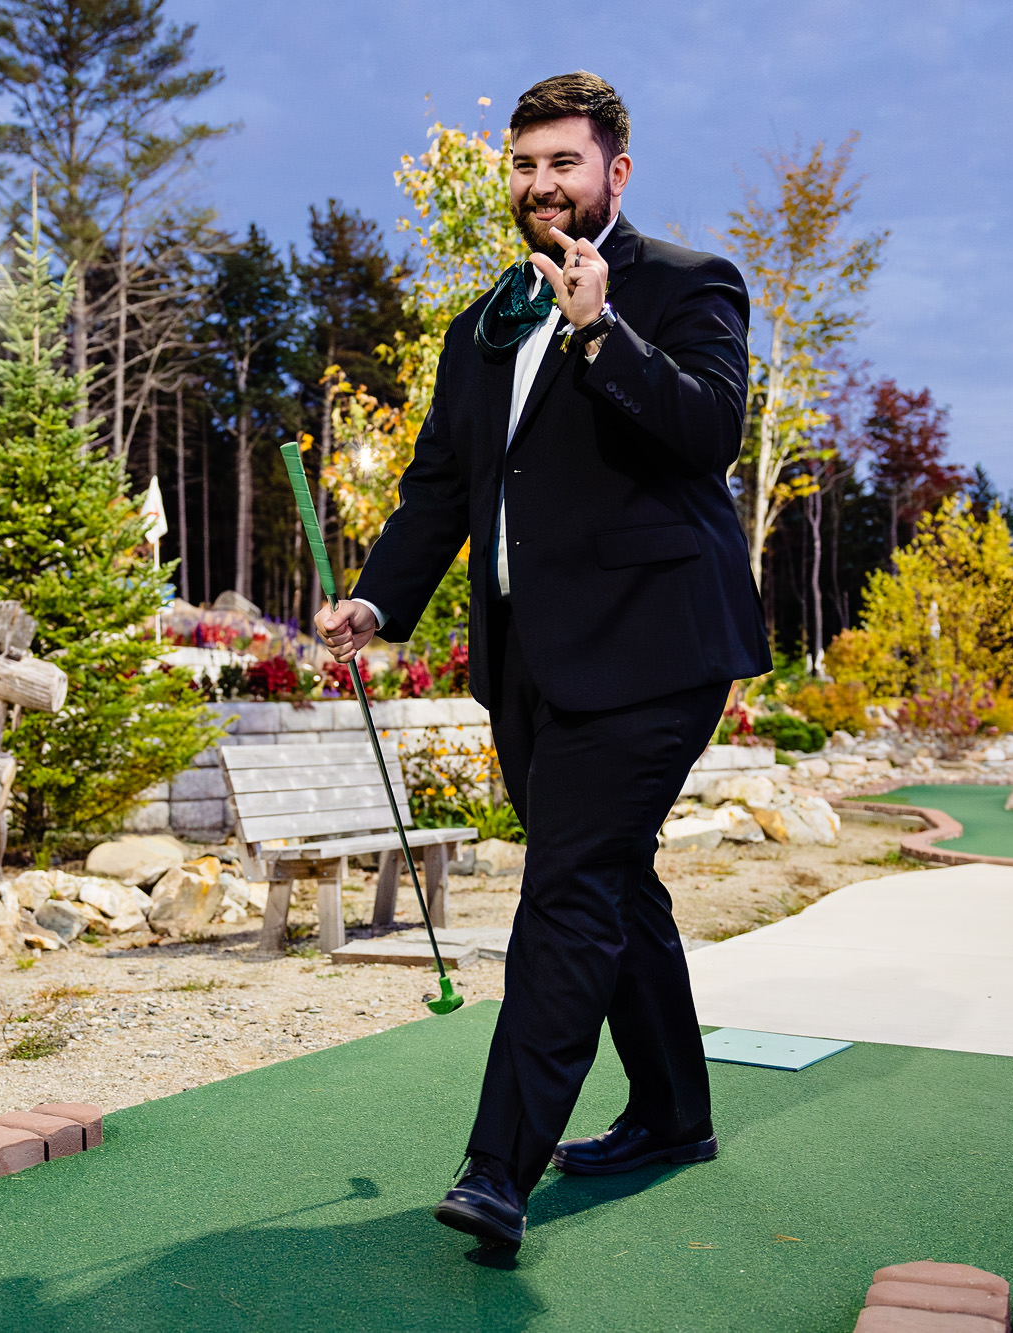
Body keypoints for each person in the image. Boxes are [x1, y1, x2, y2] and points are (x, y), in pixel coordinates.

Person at [314, 71, 769, 1248]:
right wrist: (376, 601)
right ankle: (672, 1113)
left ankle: (496, 1166)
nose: (539, 185)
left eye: (562, 163)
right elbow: (442, 489)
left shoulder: (681, 284)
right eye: (522, 165)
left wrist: (598, 329)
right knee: (614, 878)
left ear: (614, 172)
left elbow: (708, 429)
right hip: (529, 659)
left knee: (568, 889)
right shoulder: (481, 323)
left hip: (657, 644)